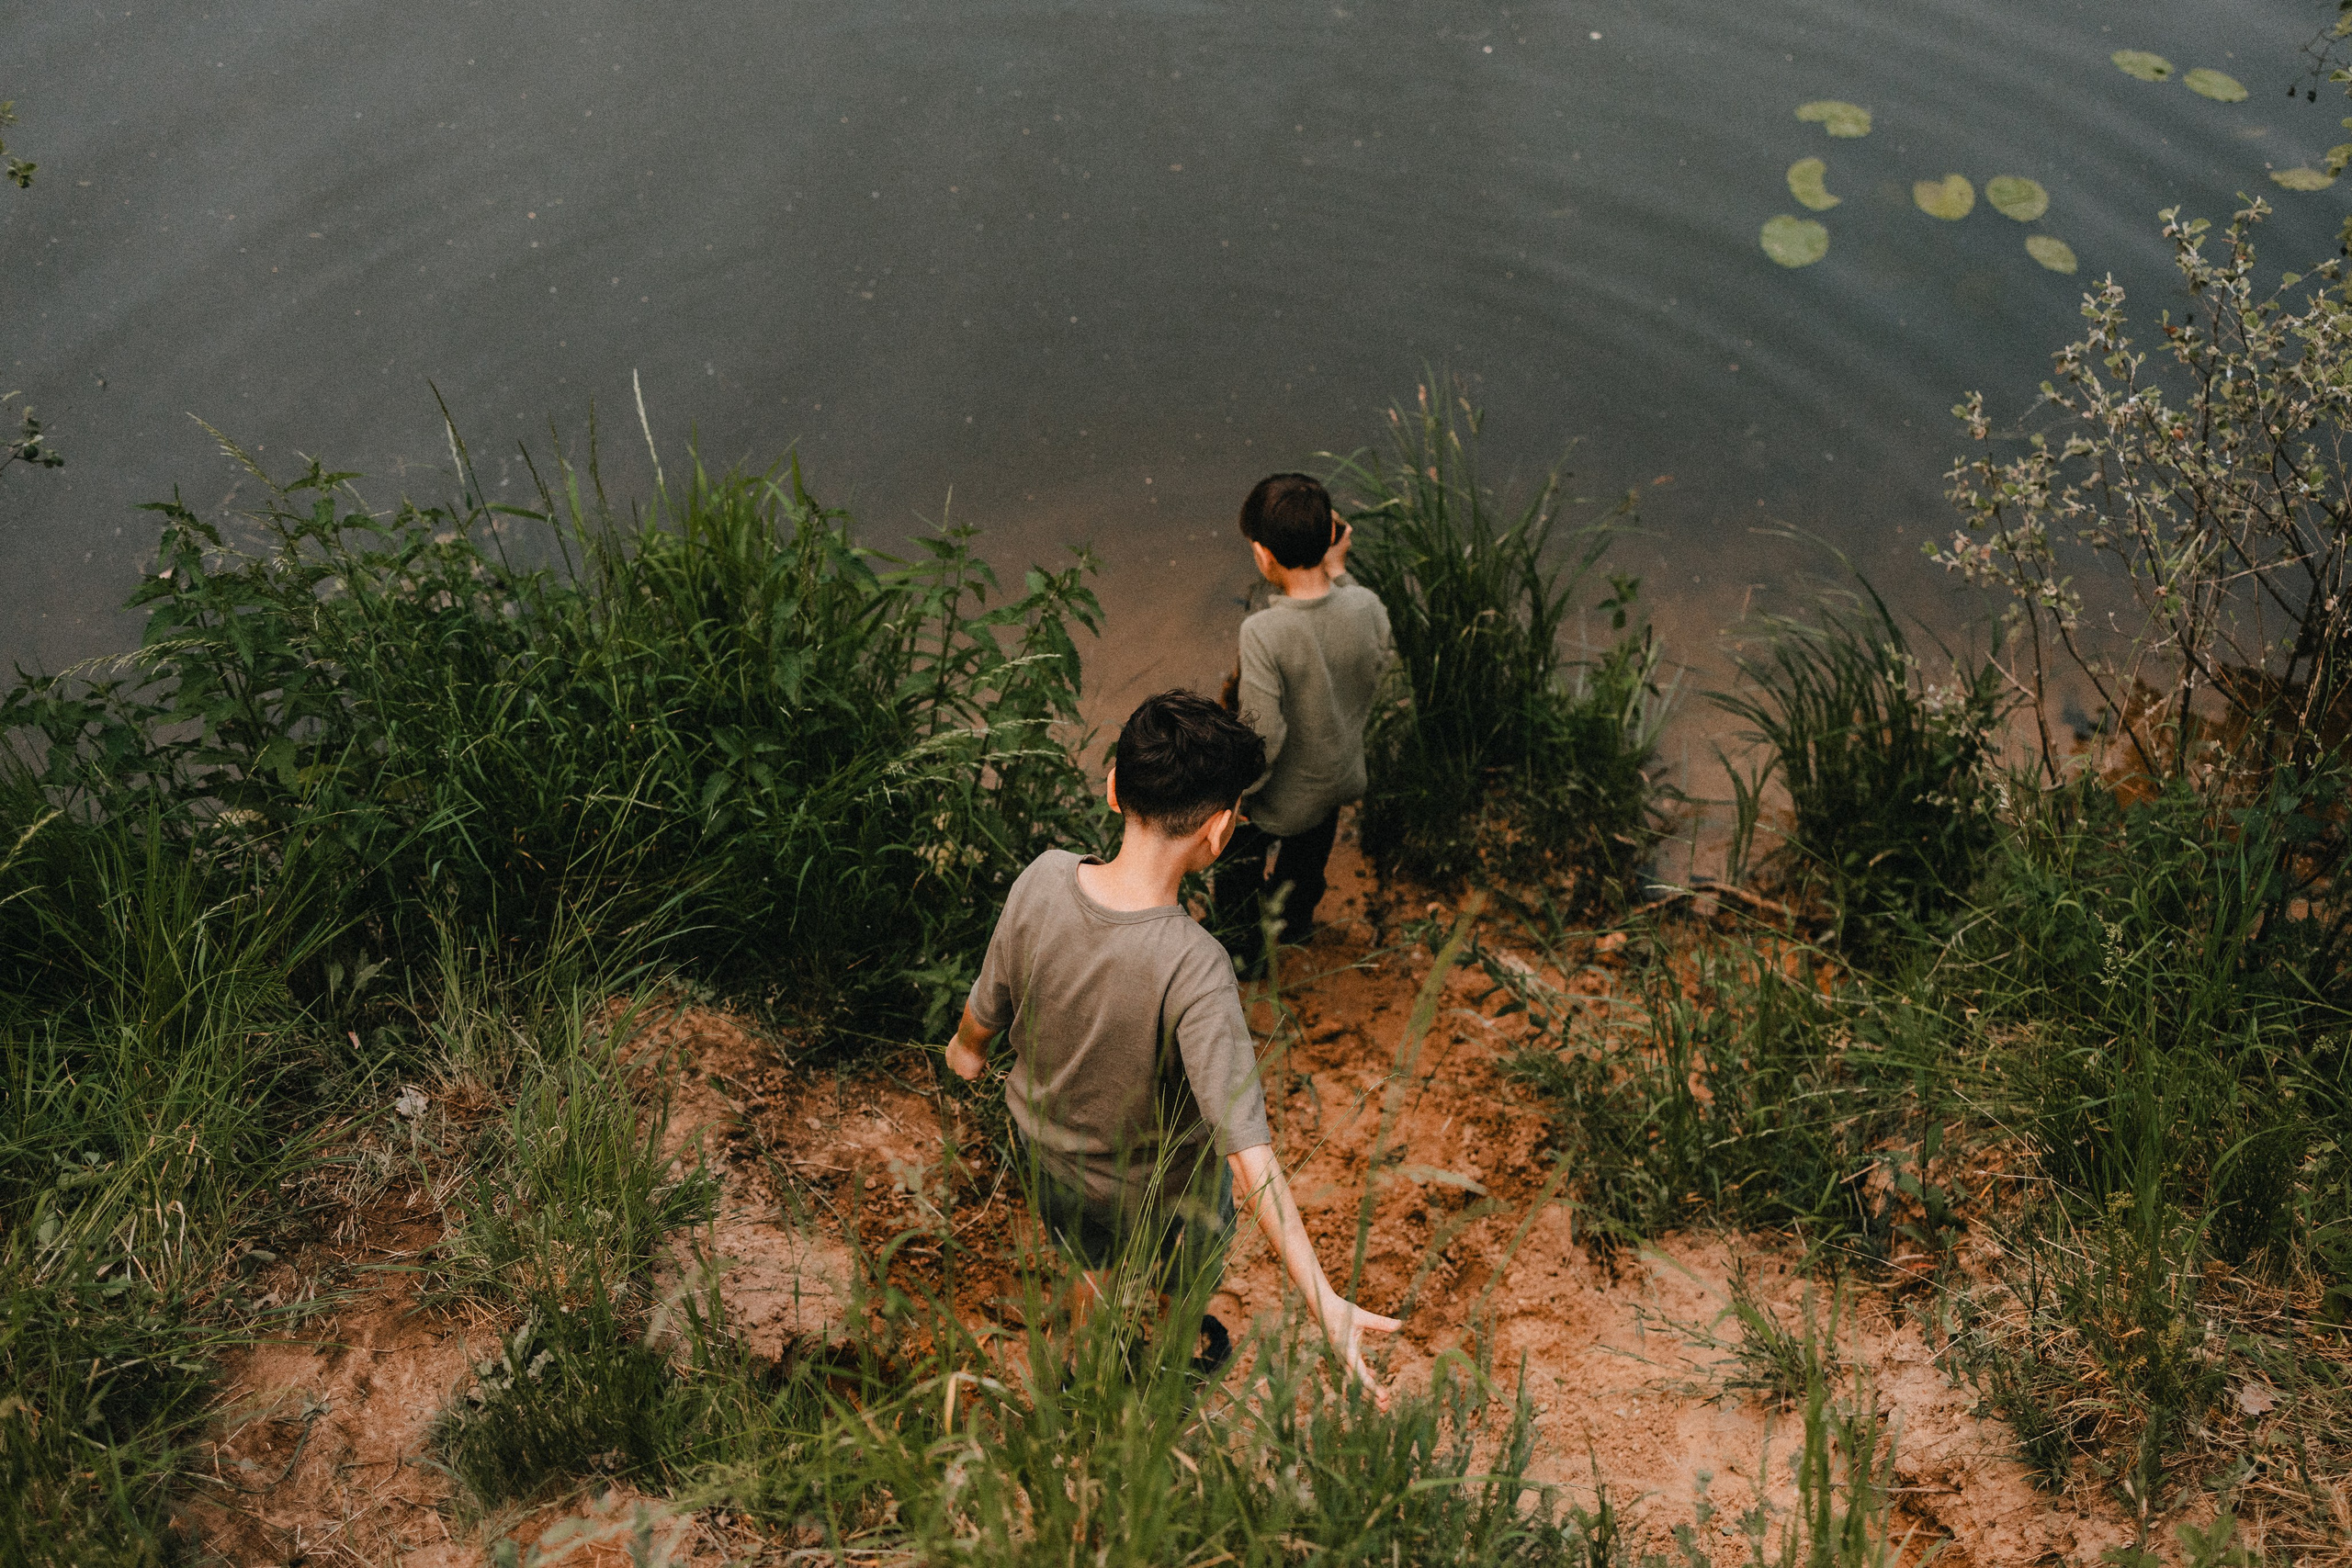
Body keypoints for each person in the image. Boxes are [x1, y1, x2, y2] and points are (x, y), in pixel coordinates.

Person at [944, 689, 1399, 1404]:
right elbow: (1250, 1160)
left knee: (1083, 1259)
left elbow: (984, 1009)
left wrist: (965, 1052)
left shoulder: (1041, 877)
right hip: (1158, 1199)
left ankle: (1086, 1359)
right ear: (1220, 831)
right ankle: (1177, 1338)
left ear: (1114, 786)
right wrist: (1323, 1297)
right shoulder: (1196, 965)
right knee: (1188, 1259)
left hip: (1047, 1157)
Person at [1215, 473, 1395, 961]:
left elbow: (1265, 736)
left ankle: (1242, 952)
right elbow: (1371, 642)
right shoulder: (1367, 605)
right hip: (1340, 778)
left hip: (1281, 798)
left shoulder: (1264, 632)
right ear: (1330, 540)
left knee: (1236, 865)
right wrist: (1337, 570)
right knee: (1306, 864)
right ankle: (1294, 927)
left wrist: (1235, 796)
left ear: (1262, 554)